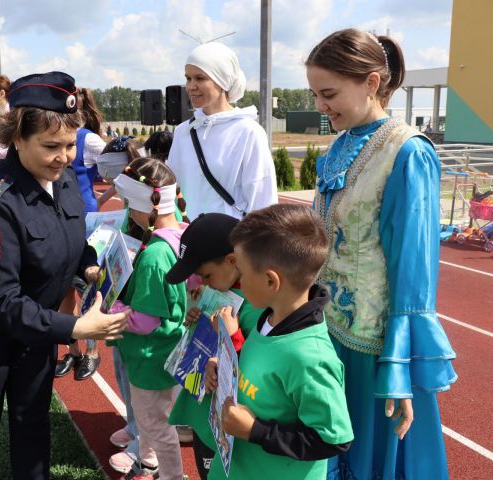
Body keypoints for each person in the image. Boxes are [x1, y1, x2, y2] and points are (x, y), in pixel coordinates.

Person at [0, 71, 128, 480]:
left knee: (32, 418)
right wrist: (77, 326)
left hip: (37, 326)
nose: (64, 157)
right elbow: (0, 301)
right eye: (50, 147)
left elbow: (73, 237)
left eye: (69, 146)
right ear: (17, 139)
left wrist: (89, 266)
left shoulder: (63, 184)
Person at [306, 28, 457, 479]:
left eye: (328, 93)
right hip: (327, 332)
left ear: (372, 83)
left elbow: (414, 271)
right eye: (314, 94)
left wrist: (399, 365)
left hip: (374, 347)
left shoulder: (408, 152)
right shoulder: (339, 145)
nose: (320, 106)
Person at [205, 204, 354, 480]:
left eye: (242, 272)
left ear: (270, 281)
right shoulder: (267, 316)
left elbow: (333, 439)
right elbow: (263, 375)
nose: (238, 279)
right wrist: (224, 365)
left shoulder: (310, 357)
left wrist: (255, 431)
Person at [164, 212, 266, 479]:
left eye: (206, 275)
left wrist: (232, 337)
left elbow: (258, 371)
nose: (204, 284)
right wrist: (196, 319)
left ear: (233, 261)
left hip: (230, 424)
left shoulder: (259, 305)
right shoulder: (223, 288)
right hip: (205, 417)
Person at [107, 157, 190, 480]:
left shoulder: (155, 256)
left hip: (150, 356)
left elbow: (146, 321)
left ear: (144, 204)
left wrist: (109, 312)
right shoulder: (181, 231)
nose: (126, 210)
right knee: (156, 417)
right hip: (170, 349)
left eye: (128, 202)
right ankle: (148, 461)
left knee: (153, 423)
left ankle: (171, 475)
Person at [167, 42, 277, 220]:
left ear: (223, 81)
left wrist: (248, 246)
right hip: (188, 240)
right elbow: (171, 190)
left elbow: (262, 201)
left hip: (232, 243)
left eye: (200, 78)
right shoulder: (183, 132)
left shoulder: (248, 132)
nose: (191, 86)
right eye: (188, 78)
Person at [54, 86, 107, 381]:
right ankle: (72, 350)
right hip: (60, 219)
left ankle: (92, 352)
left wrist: (108, 197)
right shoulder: (59, 135)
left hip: (86, 222)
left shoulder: (89, 140)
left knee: (88, 293)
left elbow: (124, 164)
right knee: (63, 291)